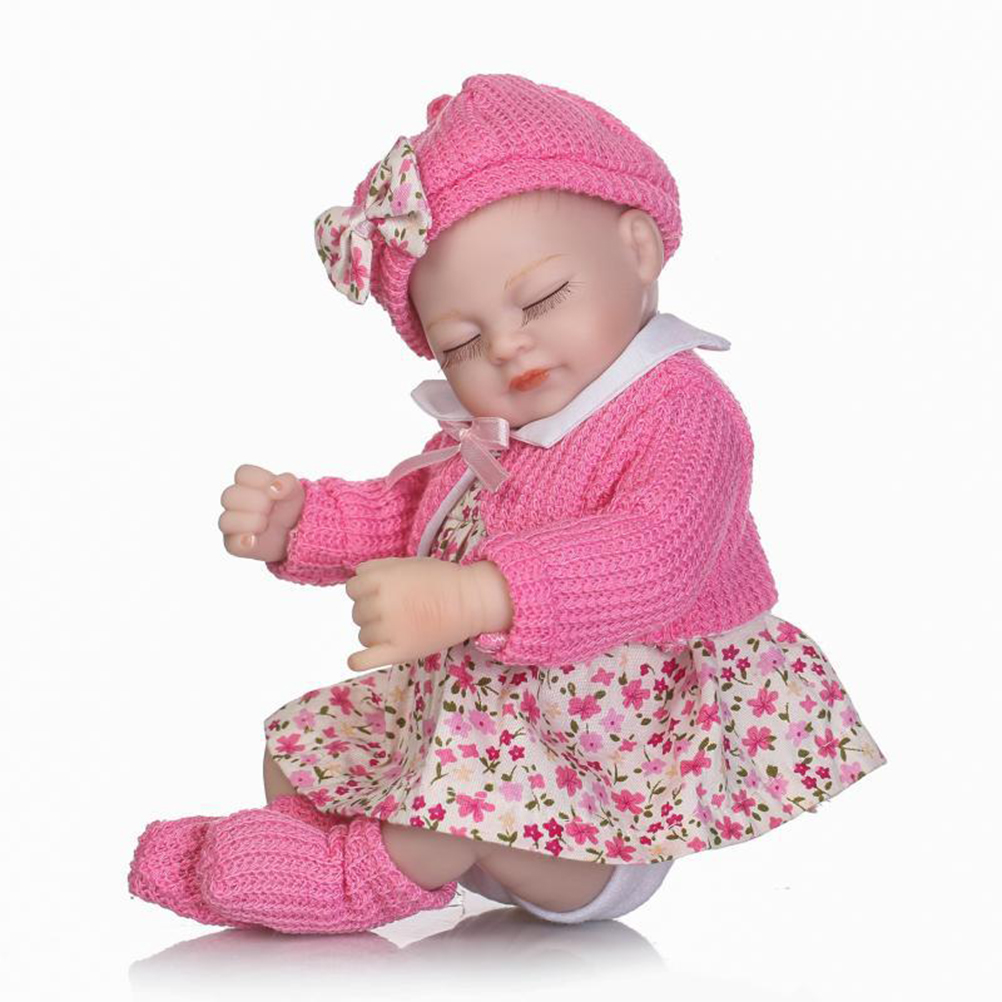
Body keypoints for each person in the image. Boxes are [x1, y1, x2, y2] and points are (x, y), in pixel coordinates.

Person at [128, 73, 887, 935]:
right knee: (300, 752)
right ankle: (312, 847)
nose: (508, 346)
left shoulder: (681, 409)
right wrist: (302, 523)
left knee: (450, 797)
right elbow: (412, 511)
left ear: (638, 249)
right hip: (486, 727)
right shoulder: (498, 435)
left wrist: (482, 594)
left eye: (541, 299)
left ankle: (348, 882)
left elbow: (657, 552)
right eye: (461, 341)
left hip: (605, 785)